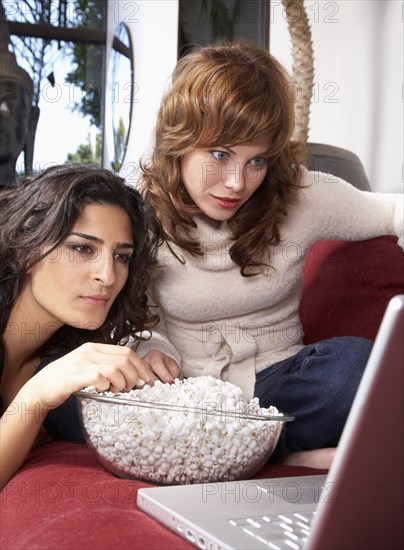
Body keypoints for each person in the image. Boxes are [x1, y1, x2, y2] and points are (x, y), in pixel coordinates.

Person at [133, 40, 404, 469]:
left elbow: (393, 210)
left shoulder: (301, 196)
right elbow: (143, 319)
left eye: (256, 161)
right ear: (180, 142)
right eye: (220, 155)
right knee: (71, 392)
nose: (237, 183)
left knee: (354, 367)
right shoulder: (139, 213)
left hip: (279, 385)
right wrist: (152, 348)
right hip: (185, 395)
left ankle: (231, 451)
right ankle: (283, 453)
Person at [0, 163, 180, 490]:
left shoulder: (63, 354)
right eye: (83, 248)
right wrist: (37, 395)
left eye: (121, 256)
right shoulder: (50, 375)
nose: (107, 276)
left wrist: (148, 355)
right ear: (26, 246)